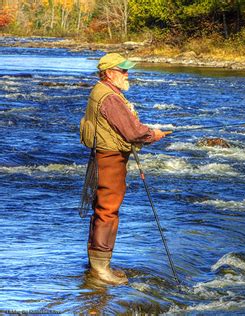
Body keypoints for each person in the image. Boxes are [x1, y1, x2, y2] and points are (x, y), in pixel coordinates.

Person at [80, 53, 168, 285]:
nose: (127, 74)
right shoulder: (109, 98)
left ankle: (99, 264)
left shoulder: (102, 91)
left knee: (103, 207)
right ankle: (100, 270)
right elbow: (133, 132)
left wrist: (147, 133)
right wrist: (153, 134)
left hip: (106, 155)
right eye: (123, 70)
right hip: (110, 157)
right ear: (109, 73)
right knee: (107, 210)